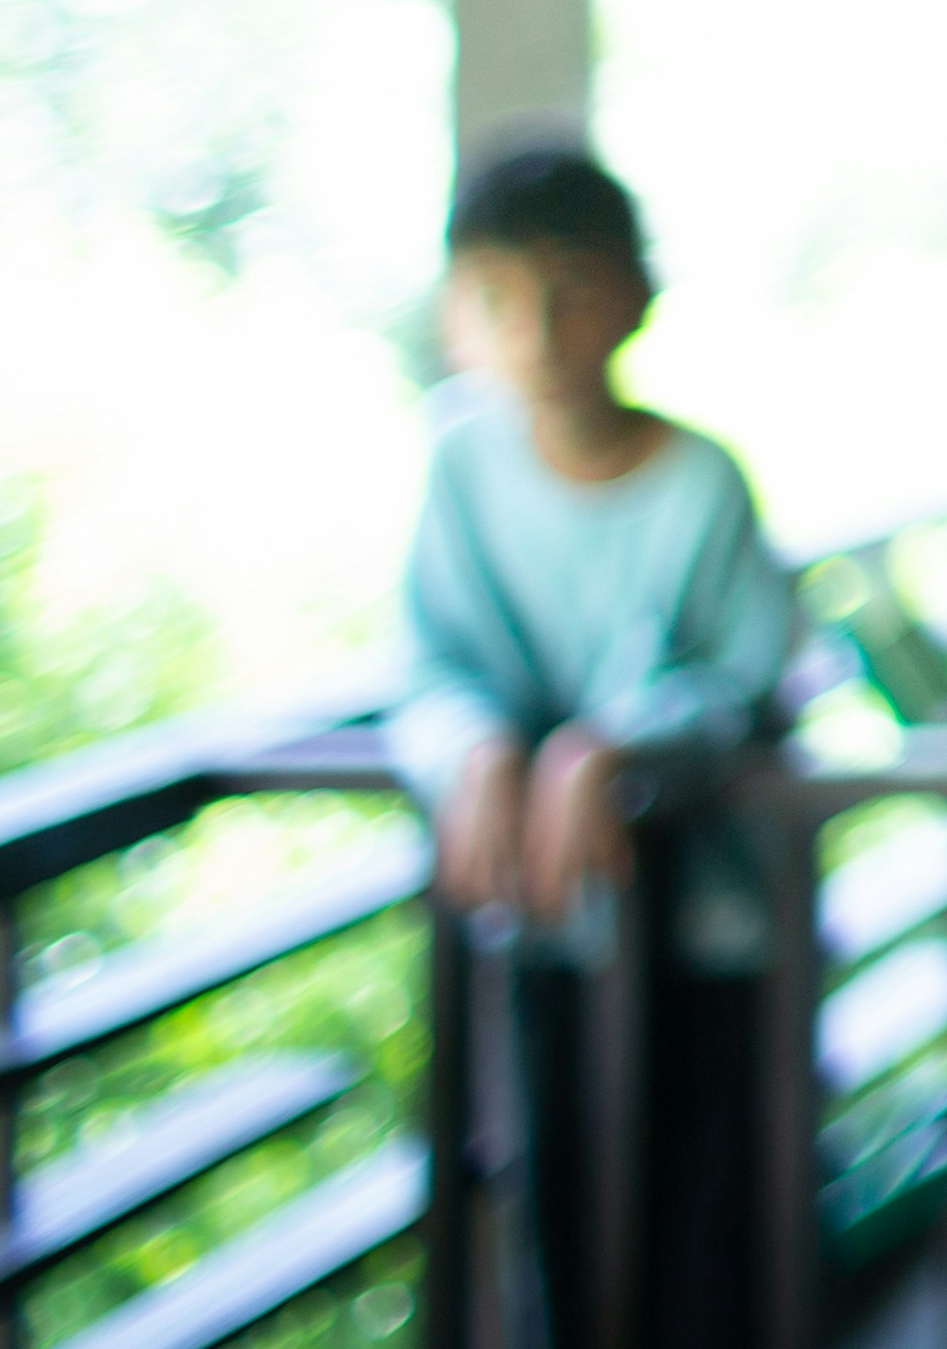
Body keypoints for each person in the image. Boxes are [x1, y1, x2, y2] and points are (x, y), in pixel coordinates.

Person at [392, 135, 795, 1345]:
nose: (539, 332)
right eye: (502, 301)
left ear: (635, 297)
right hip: (535, 913)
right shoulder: (460, 467)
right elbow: (431, 662)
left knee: (708, 1220)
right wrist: (476, 751)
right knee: (554, 1212)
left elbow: (752, 682)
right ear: (459, 315)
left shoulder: (703, 484)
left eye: (571, 293)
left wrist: (609, 748)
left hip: (709, 929)